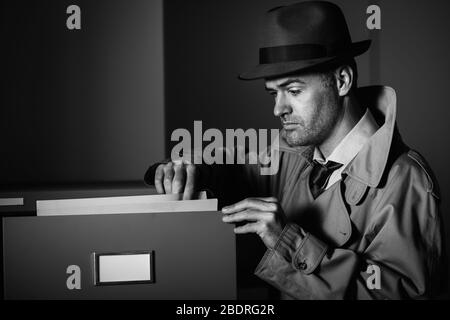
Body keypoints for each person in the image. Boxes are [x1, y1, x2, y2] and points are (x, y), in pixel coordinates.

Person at [145, 1, 447, 299]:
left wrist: (287, 241)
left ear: (342, 81)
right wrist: (187, 169)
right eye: (273, 93)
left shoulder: (405, 179)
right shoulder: (290, 154)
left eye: (293, 91)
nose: (278, 108)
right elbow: (232, 167)